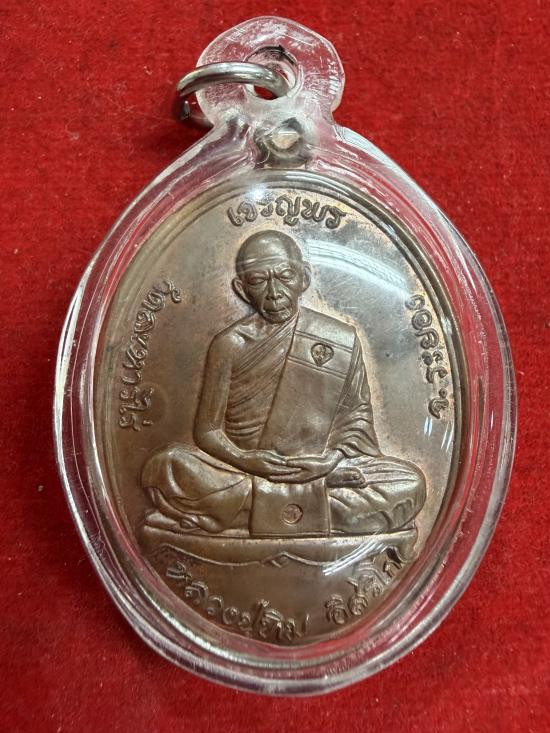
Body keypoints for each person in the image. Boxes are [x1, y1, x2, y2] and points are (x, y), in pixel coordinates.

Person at [142, 230, 425, 536]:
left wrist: (329, 463)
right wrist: (246, 460)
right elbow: (208, 431)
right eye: (258, 281)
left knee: (409, 483)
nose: (274, 292)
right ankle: (310, 501)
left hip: (316, 468)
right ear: (241, 289)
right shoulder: (230, 344)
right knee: (167, 466)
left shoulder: (339, 339)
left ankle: (246, 510)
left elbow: (355, 421)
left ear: (304, 278)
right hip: (247, 470)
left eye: (285, 276)